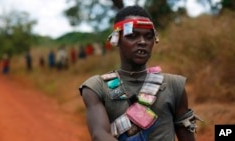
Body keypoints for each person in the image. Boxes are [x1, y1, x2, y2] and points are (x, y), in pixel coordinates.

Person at [79, 5, 202, 141]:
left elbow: (186, 134)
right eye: (132, 36)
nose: (142, 42)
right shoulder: (97, 87)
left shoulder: (174, 85)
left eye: (148, 37)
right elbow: (99, 134)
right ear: (117, 39)